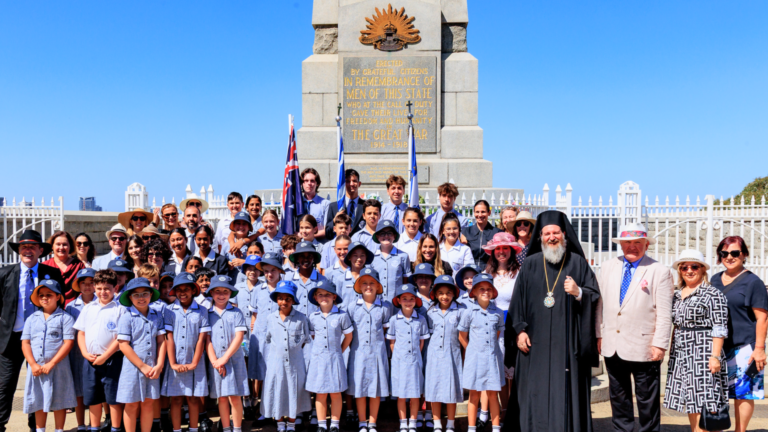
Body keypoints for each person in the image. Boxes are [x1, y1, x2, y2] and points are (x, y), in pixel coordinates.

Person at [505, 210, 600, 432]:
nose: (551, 237)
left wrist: (579, 292)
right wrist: (519, 331)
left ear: (564, 234)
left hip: (567, 346)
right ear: (540, 237)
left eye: (556, 232)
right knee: (534, 391)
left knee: (564, 391)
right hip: (534, 345)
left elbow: (594, 295)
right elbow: (516, 302)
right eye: (547, 233)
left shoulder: (577, 263)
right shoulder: (529, 265)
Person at [595, 223, 674, 432]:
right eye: (627, 242)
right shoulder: (608, 266)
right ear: (621, 245)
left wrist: (660, 344)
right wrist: (599, 334)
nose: (632, 246)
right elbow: (599, 305)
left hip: (645, 346)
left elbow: (665, 313)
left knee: (647, 401)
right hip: (612, 344)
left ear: (646, 244)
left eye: (637, 242)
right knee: (618, 398)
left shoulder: (659, 271)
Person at [0, 230, 64, 432]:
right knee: (5, 384)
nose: (28, 250)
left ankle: (35, 426)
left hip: (40, 340)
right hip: (11, 338)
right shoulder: (5, 274)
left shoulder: (52, 273)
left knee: (36, 384)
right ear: (19, 251)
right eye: (24, 247)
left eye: (32, 247)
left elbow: (58, 304)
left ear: (40, 250)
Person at [663, 249, 729, 431]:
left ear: (702, 270)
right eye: (684, 267)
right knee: (691, 400)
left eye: (694, 266)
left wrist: (715, 357)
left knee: (705, 400)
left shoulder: (713, 294)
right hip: (681, 352)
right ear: (680, 271)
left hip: (703, 351)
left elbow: (720, 327)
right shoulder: (676, 295)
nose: (689, 270)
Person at [710, 236, 768, 432]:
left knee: (744, 394)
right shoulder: (714, 280)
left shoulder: (753, 282)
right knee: (718, 393)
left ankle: (740, 431)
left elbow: (762, 318)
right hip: (720, 347)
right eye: (724, 253)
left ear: (743, 255)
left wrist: (759, 349)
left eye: (735, 253)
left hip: (746, 346)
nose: (729, 257)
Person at [74, 269, 126, 432]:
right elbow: (81, 332)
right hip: (90, 360)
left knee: (113, 398)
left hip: (112, 360)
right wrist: (83, 352)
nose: (103, 292)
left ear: (115, 289)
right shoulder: (88, 308)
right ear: (95, 288)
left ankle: (116, 428)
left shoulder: (120, 309)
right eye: (99, 288)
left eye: (107, 289)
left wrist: (105, 356)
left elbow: (120, 337)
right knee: (93, 397)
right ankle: (95, 427)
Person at [21, 279, 76, 432]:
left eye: (49, 295)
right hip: (37, 368)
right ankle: (40, 430)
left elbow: (68, 343)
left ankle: (59, 429)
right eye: (41, 295)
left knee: (60, 400)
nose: (45, 298)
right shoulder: (32, 319)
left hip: (59, 368)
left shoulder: (65, 318)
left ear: (58, 296)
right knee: (38, 400)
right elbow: (25, 343)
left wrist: (52, 363)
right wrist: (32, 364)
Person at [116, 277, 167, 432]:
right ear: (130, 297)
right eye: (136, 295)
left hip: (152, 367)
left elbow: (161, 341)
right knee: (131, 404)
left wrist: (159, 365)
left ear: (151, 295)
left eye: (145, 293)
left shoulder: (157, 315)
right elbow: (123, 345)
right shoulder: (126, 317)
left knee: (149, 403)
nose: (141, 298)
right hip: (132, 368)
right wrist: (142, 366)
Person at [261, 280, 312, 431]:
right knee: (277, 390)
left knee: (293, 391)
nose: (284, 302)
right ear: (276, 299)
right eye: (281, 298)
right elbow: (269, 339)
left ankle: (291, 423)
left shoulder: (301, 318)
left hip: (295, 364)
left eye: (288, 298)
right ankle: (280, 422)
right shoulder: (271, 318)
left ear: (293, 300)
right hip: (276, 363)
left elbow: (305, 340)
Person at [162, 272, 210, 432]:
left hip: (195, 362)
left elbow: (201, 339)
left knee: (193, 398)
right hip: (174, 361)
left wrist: (195, 362)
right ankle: (176, 430)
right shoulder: (168, 311)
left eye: (186, 289)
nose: (183, 292)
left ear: (193, 290)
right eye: (179, 289)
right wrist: (173, 363)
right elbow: (169, 337)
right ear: (174, 291)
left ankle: (193, 429)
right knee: (175, 399)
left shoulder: (202, 311)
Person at [346, 268, 392, 432]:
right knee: (360, 388)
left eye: (372, 282)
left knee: (375, 389)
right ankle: (362, 422)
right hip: (358, 354)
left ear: (378, 285)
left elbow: (386, 330)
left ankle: (372, 423)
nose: (368, 286)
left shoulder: (385, 307)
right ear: (358, 285)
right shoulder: (352, 307)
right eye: (364, 282)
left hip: (377, 353)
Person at [459, 273, 505, 432]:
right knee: (474, 395)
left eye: (488, 289)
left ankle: (496, 427)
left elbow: (497, 334)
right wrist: (472, 350)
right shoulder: (468, 312)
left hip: (492, 359)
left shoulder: (498, 313)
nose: (485, 292)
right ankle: (471, 428)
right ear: (474, 292)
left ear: (493, 292)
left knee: (493, 394)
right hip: (475, 359)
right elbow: (462, 336)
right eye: (481, 289)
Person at [305, 280, 354, 432]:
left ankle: (334, 424)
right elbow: (313, 336)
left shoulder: (342, 315)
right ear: (315, 297)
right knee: (320, 393)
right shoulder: (313, 316)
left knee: (335, 392)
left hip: (335, 359)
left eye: (327, 294)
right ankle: (321, 424)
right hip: (318, 359)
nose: (324, 297)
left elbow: (349, 336)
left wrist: (339, 350)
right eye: (320, 294)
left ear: (334, 296)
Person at [206, 275, 250, 432]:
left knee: (235, 396)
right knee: (222, 397)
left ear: (230, 293)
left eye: (225, 291)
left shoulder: (236, 312)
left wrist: (224, 359)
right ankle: (225, 427)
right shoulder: (207, 314)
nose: (221, 294)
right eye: (217, 291)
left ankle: (237, 428)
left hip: (233, 361)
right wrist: (215, 361)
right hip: (216, 362)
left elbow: (239, 337)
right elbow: (207, 340)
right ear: (211, 293)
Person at [248, 253, 285, 425]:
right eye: (266, 271)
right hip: (262, 337)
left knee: (278, 374)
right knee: (263, 375)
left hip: (279, 338)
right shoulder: (257, 290)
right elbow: (254, 315)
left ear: (279, 271)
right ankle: (265, 412)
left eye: (273, 271)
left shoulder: (285, 290)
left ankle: (280, 411)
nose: (269, 274)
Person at [388, 284, 430, 432]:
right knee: (401, 395)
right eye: (404, 298)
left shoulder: (421, 320)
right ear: (398, 300)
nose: (408, 301)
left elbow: (422, 342)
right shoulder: (394, 320)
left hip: (414, 362)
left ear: (416, 300)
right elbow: (392, 342)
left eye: (411, 298)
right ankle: (403, 422)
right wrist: (399, 356)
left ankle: (412, 423)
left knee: (414, 394)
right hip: (399, 362)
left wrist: (413, 356)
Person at [425, 276, 464, 432]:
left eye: (448, 292)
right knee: (434, 389)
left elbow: (463, 335)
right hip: (434, 356)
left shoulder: (461, 310)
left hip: (452, 356)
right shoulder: (430, 311)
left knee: (451, 390)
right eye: (440, 293)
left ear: (454, 293)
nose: (445, 296)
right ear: (435, 294)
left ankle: (450, 424)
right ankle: (436, 424)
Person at [66, 268, 97, 431]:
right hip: (76, 354)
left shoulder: (102, 302)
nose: (87, 286)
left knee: (94, 390)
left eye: (91, 283)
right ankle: (80, 424)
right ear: (78, 285)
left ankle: (95, 423)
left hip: (96, 352)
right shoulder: (71, 307)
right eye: (83, 283)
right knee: (79, 390)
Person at [370, 220, 411, 303]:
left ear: (394, 236)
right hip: (377, 302)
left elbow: (406, 281)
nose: (386, 236)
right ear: (377, 236)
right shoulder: (371, 257)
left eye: (389, 233)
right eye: (382, 233)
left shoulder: (403, 256)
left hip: (396, 302)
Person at [42, 231, 86, 303]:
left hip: (74, 308)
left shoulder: (78, 265)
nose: (61, 247)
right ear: (52, 246)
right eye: (58, 244)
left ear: (70, 246)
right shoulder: (45, 266)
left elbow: (84, 288)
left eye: (65, 244)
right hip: (51, 308)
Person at [325, 169, 365, 239]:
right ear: (343, 184)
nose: (351, 184)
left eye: (354, 181)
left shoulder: (365, 206)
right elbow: (328, 233)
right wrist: (334, 220)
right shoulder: (334, 206)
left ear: (359, 184)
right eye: (347, 181)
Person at [463, 200, 501, 268]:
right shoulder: (465, 232)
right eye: (477, 212)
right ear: (474, 213)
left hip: (490, 271)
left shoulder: (497, 233)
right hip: (470, 271)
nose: (480, 215)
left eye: (483, 212)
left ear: (489, 213)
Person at [301, 168, 331, 241]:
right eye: (306, 181)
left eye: (312, 181)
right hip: (299, 246)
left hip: (319, 246)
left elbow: (326, 230)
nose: (309, 183)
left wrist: (308, 236)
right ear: (302, 183)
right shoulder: (296, 204)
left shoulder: (325, 204)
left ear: (317, 183)